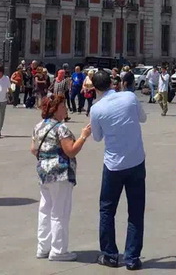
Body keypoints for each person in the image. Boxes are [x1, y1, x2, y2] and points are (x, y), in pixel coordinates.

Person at [88, 69, 147, 271]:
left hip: (113, 165)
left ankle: (110, 255)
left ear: (95, 88)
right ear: (113, 82)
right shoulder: (130, 97)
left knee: (107, 209)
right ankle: (132, 258)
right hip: (136, 161)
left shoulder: (96, 109)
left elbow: (97, 137)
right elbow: (143, 118)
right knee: (136, 210)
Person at [32, 94, 92, 262]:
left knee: (45, 209)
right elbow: (71, 151)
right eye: (63, 106)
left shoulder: (38, 126)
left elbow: (33, 149)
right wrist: (83, 136)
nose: (66, 109)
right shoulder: (61, 128)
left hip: (43, 172)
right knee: (60, 212)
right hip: (60, 173)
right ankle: (58, 250)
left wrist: (47, 157)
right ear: (55, 109)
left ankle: (43, 247)